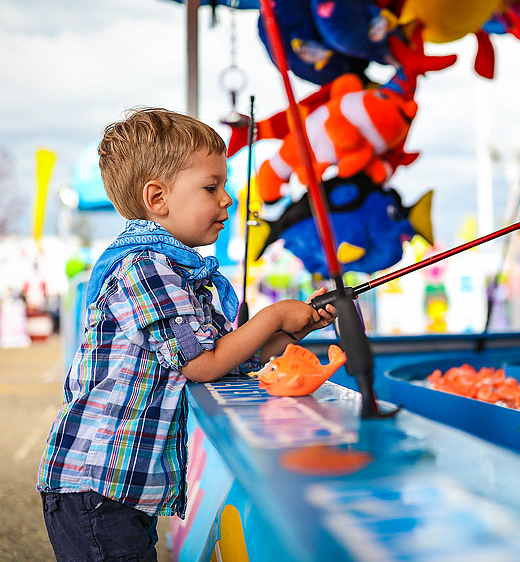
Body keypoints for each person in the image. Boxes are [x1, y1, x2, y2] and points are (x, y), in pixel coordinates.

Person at [36, 108, 337, 561]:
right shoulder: (145, 268)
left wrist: (297, 328)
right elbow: (202, 364)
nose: (227, 200)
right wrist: (274, 315)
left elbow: (231, 356)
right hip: (94, 487)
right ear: (158, 198)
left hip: (115, 490)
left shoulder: (178, 272)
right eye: (211, 187)